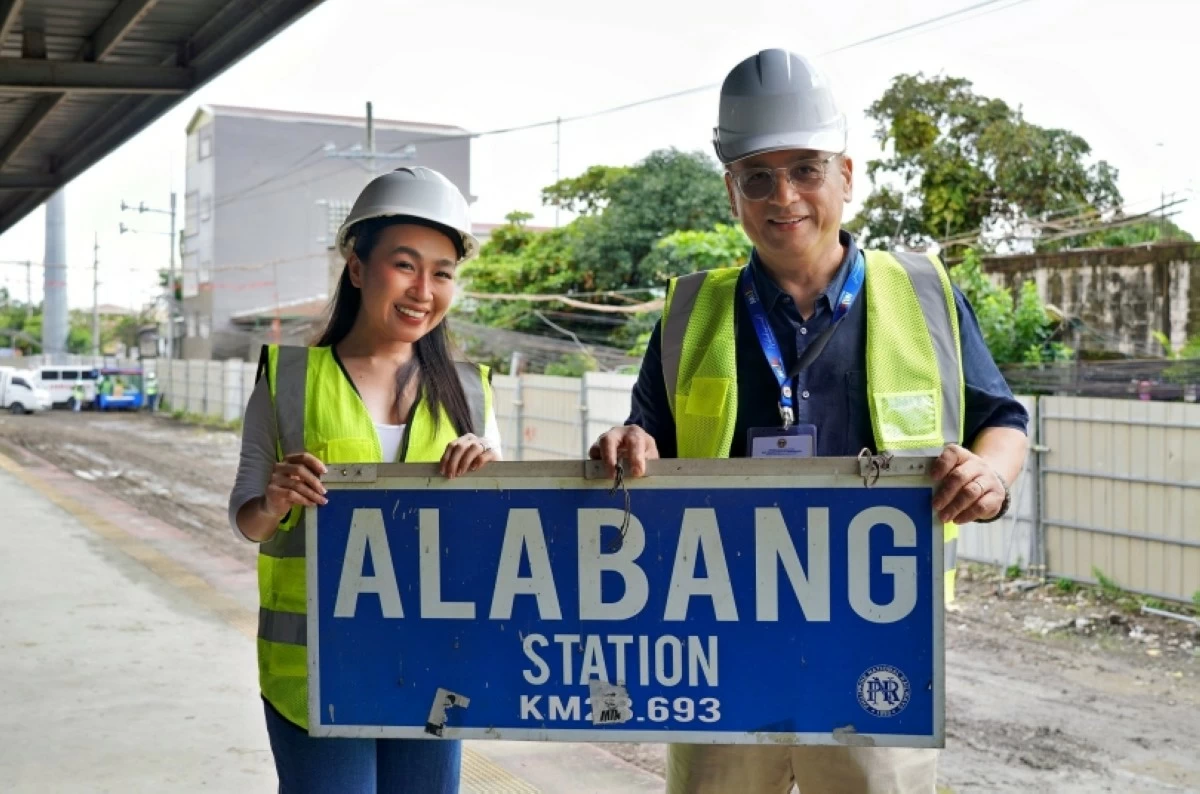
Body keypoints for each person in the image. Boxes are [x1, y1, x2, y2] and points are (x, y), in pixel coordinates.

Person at [590, 49, 1029, 794]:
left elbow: (1002, 419)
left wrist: (990, 474)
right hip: (719, 643)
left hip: (876, 642)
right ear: (732, 192)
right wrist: (625, 447)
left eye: (805, 169)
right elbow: (644, 440)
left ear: (847, 177)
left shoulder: (922, 292)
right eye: (757, 175)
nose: (782, 194)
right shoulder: (690, 311)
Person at [227, 166, 502, 794]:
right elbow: (247, 519)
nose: (423, 289)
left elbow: (499, 545)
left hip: (437, 664)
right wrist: (273, 498)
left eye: (443, 272)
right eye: (404, 265)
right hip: (318, 674)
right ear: (357, 267)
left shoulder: (470, 394)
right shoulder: (289, 378)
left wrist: (489, 481)